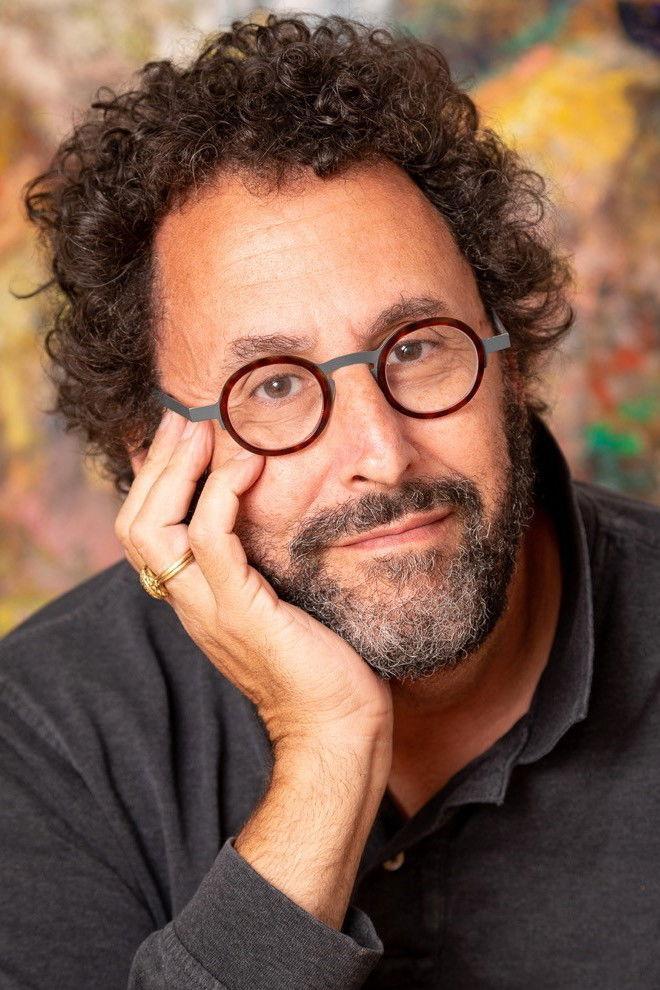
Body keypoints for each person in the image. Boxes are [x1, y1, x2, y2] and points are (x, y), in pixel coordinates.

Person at [1, 12, 659, 989]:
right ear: (154, 454)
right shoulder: (43, 734)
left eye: (418, 347)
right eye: (272, 386)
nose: (381, 456)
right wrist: (327, 751)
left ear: (509, 362)